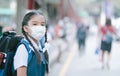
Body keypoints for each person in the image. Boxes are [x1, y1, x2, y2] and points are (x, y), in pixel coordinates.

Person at [14, 10, 48, 76]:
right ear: (26, 28)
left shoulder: (40, 48)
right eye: (35, 24)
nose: (40, 27)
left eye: (42, 24)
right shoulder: (23, 49)